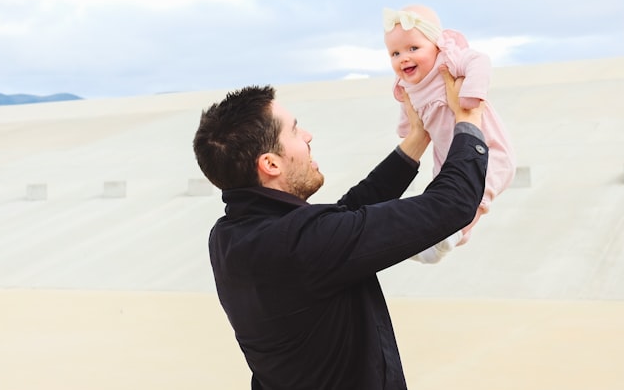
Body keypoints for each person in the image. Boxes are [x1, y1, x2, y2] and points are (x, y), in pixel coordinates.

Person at [192, 70, 488, 390]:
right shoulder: (301, 244)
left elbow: (342, 219)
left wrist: (416, 140)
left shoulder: (228, 236)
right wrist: (469, 116)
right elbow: (452, 204)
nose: (308, 135)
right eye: (294, 132)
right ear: (271, 164)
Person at [383, 4, 516, 263]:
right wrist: (408, 129)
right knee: (441, 195)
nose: (403, 58)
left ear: (437, 44)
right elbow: (408, 111)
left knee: (474, 192)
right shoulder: (406, 84)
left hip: (486, 148)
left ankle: (448, 236)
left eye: (413, 48)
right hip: (447, 156)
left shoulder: (449, 60)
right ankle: (437, 238)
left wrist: (472, 93)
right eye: (395, 53)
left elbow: (480, 61)